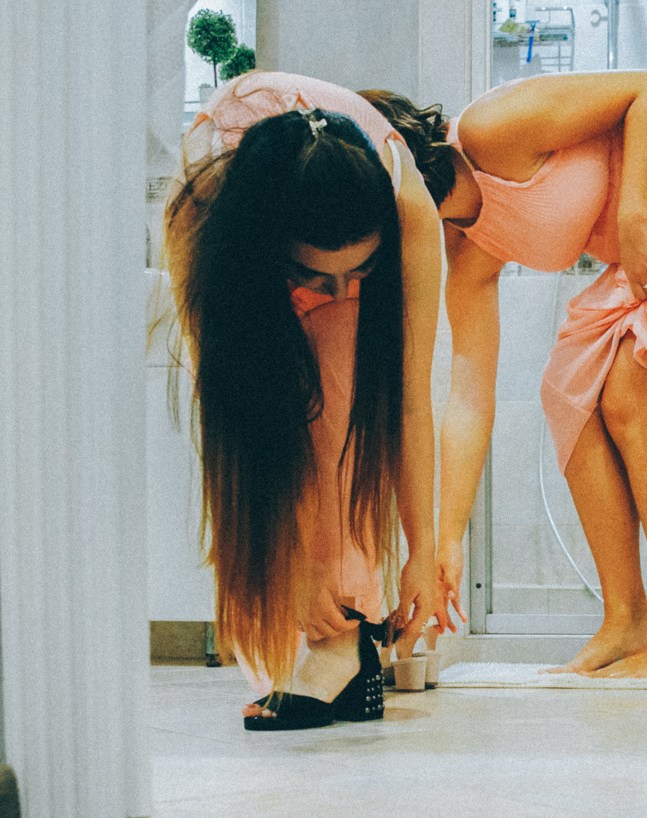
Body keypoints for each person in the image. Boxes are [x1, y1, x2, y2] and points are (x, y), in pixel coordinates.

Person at [364, 72, 647, 677]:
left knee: (630, 392)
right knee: (569, 393)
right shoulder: (466, 249)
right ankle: (627, 621)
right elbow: (468, 394)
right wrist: (447, 538)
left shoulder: (491, 131)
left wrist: (634, 218)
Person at [163, 72, 448, 729]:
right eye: (316, 275)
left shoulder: (406, 206)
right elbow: (240, 415)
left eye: (361, 272)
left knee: (344, 394)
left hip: (352, 215)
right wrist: (289, 557)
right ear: (270, 252)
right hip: (241, 257)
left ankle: (341, 646)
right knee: (294, 409)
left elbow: (408, 403)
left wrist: (422, 551)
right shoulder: (201, 219)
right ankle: (331, 645)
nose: (343, 293)